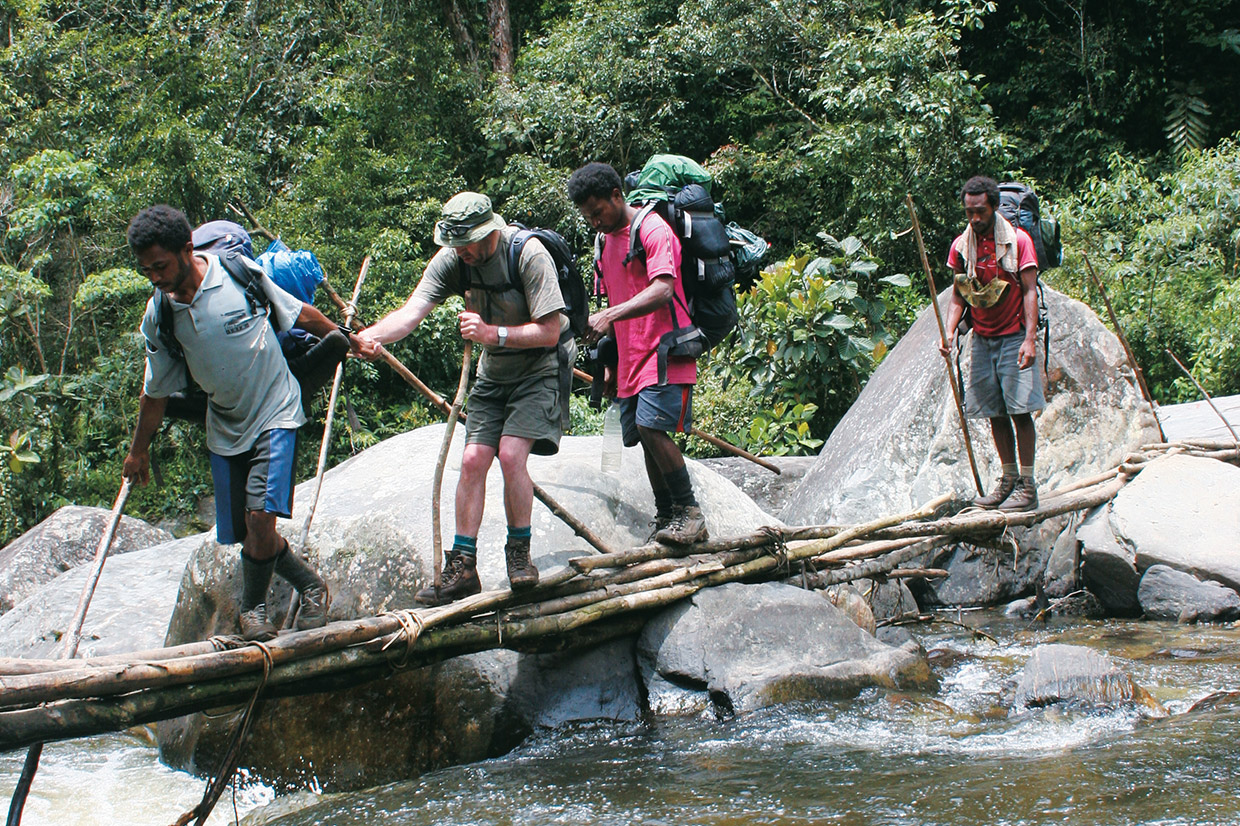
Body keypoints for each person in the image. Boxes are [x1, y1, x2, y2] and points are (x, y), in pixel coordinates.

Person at [123, 205, 351, 640]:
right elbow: (154, 393)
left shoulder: (235, 273)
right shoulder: (161, 315)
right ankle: (310, 585)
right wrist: (138, 451)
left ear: (187, 250)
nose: (154, 276)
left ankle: (253, 610)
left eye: (160, 265)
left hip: (276, 408)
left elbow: (297, 312)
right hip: (225, 424)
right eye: (146, 269)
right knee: (246, 532)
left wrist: (346, 338)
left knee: (261, 518)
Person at [355, 192, 573, 605]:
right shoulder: (456, 258)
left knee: (510, 455)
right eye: (455, 243)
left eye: (467, 242)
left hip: (538, 369)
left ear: (488, 230)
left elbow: (549, 330)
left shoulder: (528, 254)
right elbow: (412, 312)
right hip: (493, 374)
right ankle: (463, 566)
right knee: (473, 459)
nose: (461, 252)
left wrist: (492, 334)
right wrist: (371, 337)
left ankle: (519, 556)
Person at [567, 161, 708, 545]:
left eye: (598, 212)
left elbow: (663, 288)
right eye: (587, 216)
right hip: (630, 356)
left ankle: (691, 513)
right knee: (643, 436)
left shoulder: (652, 228)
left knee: (651, 426)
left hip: (667, 349)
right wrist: (610, 365)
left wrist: (610, 314)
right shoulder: (603, 243)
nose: (594, 222)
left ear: (617, 196)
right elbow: (614, 299)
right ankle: (667, 517)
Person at [942, 175, 1045, 512]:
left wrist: (1029, 340)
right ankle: (1007, 479)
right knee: (994, 413)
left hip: (1014, 336)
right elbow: (959, 294)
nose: (974, 218)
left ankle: (1027, 486)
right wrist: (949, 332)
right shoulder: (962, 246)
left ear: (993, 206)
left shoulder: (1017, 241)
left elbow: (1030, 290)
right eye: (969, 212)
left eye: (980, 211)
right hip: (983, 339)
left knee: (1019, 411)